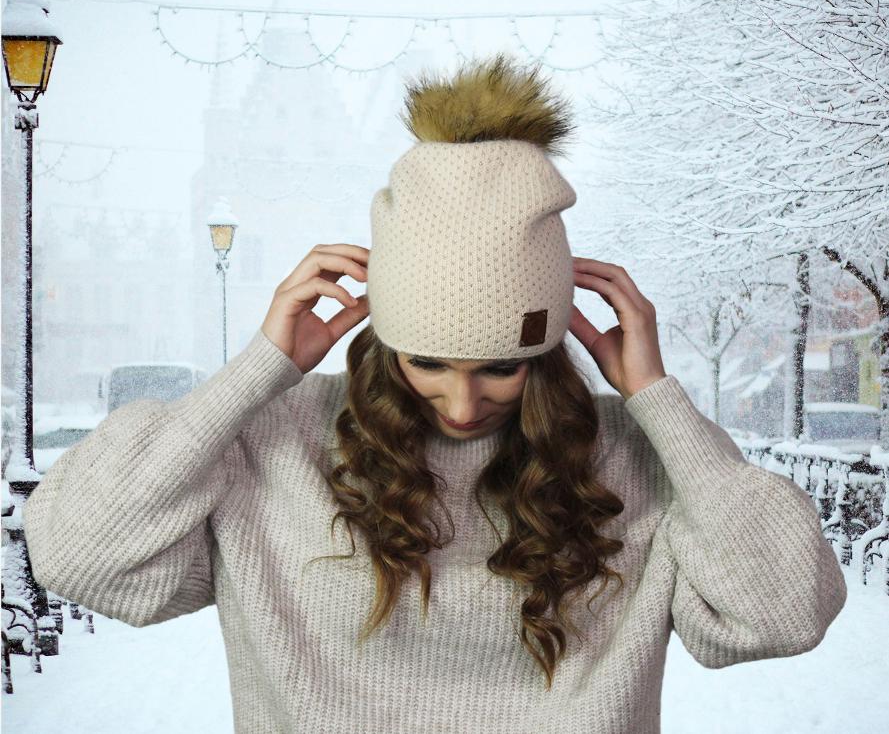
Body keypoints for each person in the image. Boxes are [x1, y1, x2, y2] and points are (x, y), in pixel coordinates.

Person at [22, 53, 847, 734]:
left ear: (551, 347)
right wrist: (258, 371)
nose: (459, 405)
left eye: (499, 366)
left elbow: (779, 615)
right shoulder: (270, 440)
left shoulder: (635, 454)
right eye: (426, 361)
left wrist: (658, 398)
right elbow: (80, 557)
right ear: (377, 332)